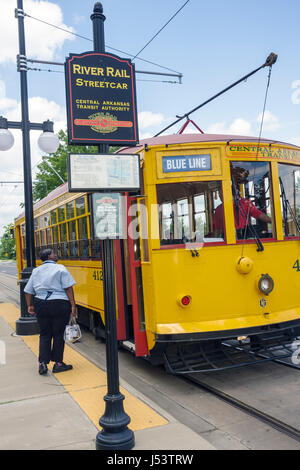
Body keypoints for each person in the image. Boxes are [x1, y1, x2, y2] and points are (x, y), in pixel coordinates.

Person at [24, 248, 77, 375]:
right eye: (54, 253)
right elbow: (68, 288)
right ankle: (58, 364)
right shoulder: (60, 268)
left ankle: (42, 363)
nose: (56, 254)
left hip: (41, 304)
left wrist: (30, 305)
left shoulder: (36, 271)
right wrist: (73, 306)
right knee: (58, 334)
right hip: (59, 303)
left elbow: (28, 291)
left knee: (44, 334)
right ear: (48, 256)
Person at [213, 166, 271, 239]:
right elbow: (217, 230)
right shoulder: (218, 209)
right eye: (219, 194)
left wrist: (273, 221)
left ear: (231, 192)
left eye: (221, 194)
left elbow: (258, 214)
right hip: (227, 241)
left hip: (244, 239)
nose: (220, 196)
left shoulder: (245, 203)